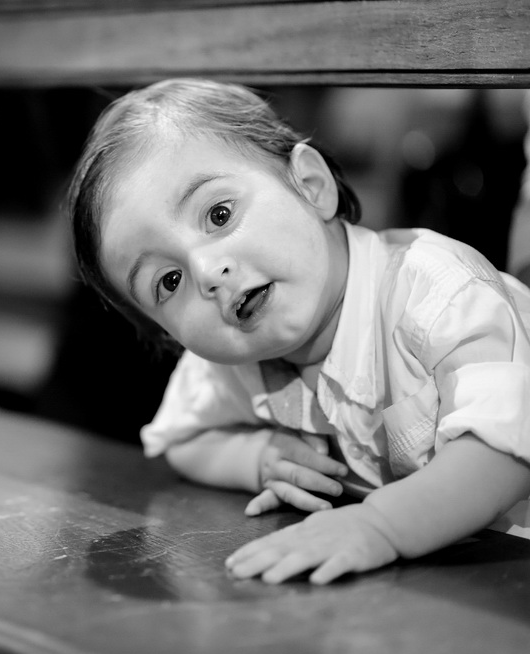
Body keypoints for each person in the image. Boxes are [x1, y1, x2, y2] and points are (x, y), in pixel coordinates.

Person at [67, 78, 530, 585]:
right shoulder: (236, 359)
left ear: (311, 186)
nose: (205, 271)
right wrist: (260, 458)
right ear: (170, 335)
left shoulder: (437, 294)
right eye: (168, 281)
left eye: (218, 215)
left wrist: (380, 525)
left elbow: (504, 447)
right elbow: (183, 439)